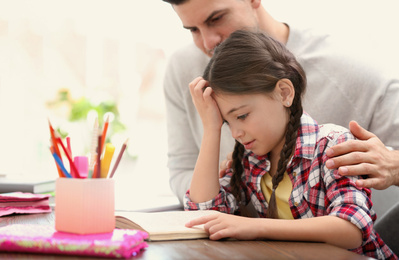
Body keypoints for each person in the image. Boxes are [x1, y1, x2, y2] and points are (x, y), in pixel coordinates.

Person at [184, 29, 396, 259]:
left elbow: (352, 229)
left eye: (242, 116)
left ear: (284, 93)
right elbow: (203, 214)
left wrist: (254, 227)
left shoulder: (332, 145)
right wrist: (211, 129)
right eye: (227, 122)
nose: (236, 132)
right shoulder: (250, 160)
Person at [161, 0, 399, 205]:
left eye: (217, 18)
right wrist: (223, 193)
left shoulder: (352, 72)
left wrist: (393, 165)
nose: (208, 42)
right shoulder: (184, 70)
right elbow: (182, 169)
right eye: (193, 30)